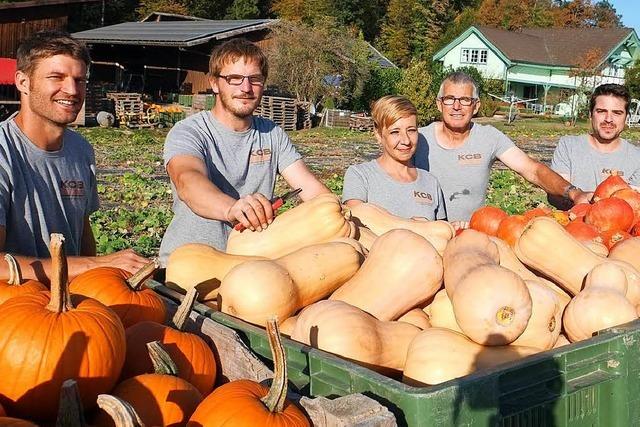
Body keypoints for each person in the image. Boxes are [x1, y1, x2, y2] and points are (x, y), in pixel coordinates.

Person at [159, 38, 329, 264]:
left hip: (248, 268)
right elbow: (188, 181)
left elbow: (309, 188)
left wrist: (340, 214)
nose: (246, 88)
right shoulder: (189, 132)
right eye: (234, 79)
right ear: (215, 83)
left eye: (254, 79)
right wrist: (231, 208)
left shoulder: (272, 134)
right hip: (189, 268)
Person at [0, 30, 148, 283]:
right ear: (23, 82)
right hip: (14, 308)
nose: (71, 90)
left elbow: (83, 234)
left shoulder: (80, 149)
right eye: (56, 77)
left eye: (79, 80)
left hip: (70, 304)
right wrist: (93, 264)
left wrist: (95, 277)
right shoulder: (4, 150)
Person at [415, 71, 591, 227]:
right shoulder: (418, 138)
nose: (456, 106)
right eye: (449, 99)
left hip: (471, 236)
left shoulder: (489, 137)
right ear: (439, 104)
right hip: (426, 234)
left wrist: (573, 193)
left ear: (476, 106)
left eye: (465, 100)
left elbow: (533, 170)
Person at [342, 95, 446, 220]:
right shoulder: (360, 176)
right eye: (395, 132)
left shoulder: (430, 182)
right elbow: (356, 224)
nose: (406, 140)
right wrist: (412, 225)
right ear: (378, 134)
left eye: (411, 130)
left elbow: (441, 233)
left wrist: (453, 228)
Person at [549, 83, 640, 208]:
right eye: (601, 111)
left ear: (626, 118)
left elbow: (634, 207)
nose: (608, 119)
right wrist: (577, 197)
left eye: (617, 113)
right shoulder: (568, 146)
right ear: (591, 115)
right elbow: (555, 195)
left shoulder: (637, 157)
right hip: (571, 222)